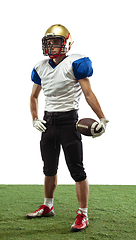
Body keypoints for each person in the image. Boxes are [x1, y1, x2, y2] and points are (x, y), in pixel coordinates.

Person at [26, 24, 108, 232]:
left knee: (77, 170)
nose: (52, 46)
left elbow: (88, 93)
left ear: (67, 43)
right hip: (47, 123)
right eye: (49, 42)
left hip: (68, 122)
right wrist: (35, 118)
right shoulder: (41, 66)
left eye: (56, 42)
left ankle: (83, 214)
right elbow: (34, 96)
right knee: (49, 168)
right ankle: (48, 206)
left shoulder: (76, 62)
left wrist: (102, 118)